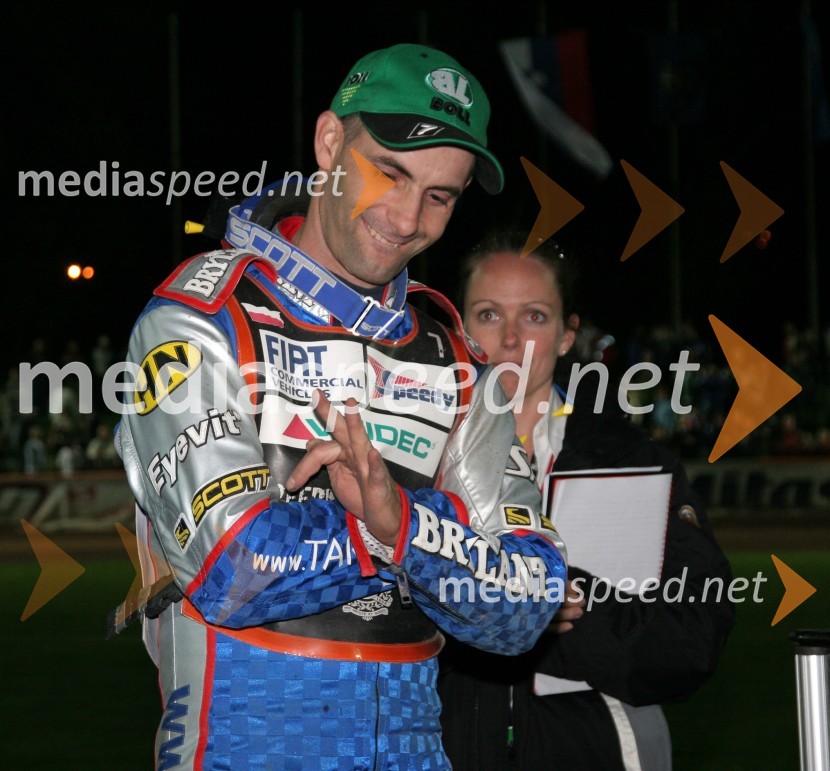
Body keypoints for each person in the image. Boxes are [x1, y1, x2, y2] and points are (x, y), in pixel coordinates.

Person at [112, 45, 567, 769]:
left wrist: (401, 522)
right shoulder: (201, 317)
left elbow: (528, 600)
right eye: (390, 172)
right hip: (242, 742)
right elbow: (232, 563)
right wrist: (395, 537)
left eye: (441, 195)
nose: (408, 215)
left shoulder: (454, 359)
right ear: (330, 142)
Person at [437, 231, 736, 770]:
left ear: (568, 335)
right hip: (446, 746)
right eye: (486, 313)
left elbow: (694, 638)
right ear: (457, 328)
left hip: (603, 748)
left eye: (534, 316)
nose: (509, 339)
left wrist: (567, 611)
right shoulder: (410, 462)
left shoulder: (637, 464)